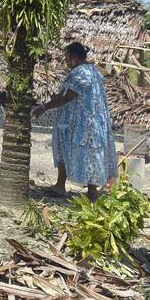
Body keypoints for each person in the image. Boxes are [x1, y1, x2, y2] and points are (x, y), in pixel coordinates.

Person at [31, 42, 118, 202]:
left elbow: (68, 97)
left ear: (73, 56)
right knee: (62, 148)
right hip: (74, 122)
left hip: (84, 124)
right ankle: (60, 185)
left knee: (88, 154)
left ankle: (92, 194)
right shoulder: (91, 71)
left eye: (66, 57)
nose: (65, 61)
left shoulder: (82, 73)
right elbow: (62, 93)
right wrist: (46, 105)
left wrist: (44, 108)